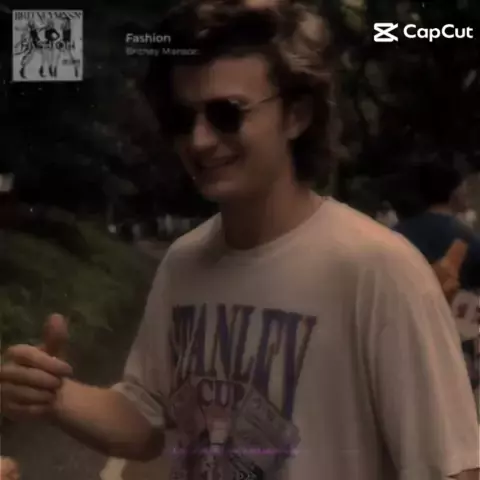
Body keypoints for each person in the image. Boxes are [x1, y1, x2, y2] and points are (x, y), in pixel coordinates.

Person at [1, 1, 479, 479]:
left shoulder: (378, 268)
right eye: (181, 119)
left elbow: (454, 467)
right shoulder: (184, 261)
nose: (199, 140)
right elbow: (144, 419)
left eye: (226, 113)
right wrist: (52, 394)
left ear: (296, 115)